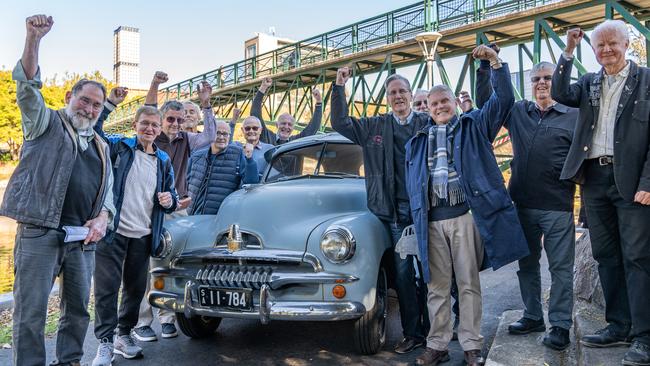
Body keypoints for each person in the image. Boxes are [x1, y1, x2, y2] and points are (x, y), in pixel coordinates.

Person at [1, 15, 116, 366]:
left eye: (97, 105)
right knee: (30, 314)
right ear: (70, 96)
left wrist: (103, 218)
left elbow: (108, 194)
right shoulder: (44, 121)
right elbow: (27, 88)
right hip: (40, 232)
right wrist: (34, 39)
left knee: (78, 311)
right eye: (85, 101)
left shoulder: (101, 145)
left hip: (82, 239)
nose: (90, 109)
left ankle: (69, 362)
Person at [405, 45, 529, 366]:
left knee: (468, 283)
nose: (440, 106)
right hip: (430, 221)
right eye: (434, 103)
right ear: (428, 109)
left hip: (463, 218)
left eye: (445, 100)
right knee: (437, 287)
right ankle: (438, 345)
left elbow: (503, 101)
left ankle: (472, 345)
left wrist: (495, 63)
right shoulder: (417, 141)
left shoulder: (473, 125)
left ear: (453, 104)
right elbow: (413, 183)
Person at [552, 20, 650, 365]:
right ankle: (618, 325)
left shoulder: (647, 80)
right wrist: (568, 51)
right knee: (606, 256)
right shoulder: (589, 81)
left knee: (638, 259)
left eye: (612, 43)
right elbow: (560, 93)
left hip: (632, 181)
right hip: (594, 178)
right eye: (600, 45)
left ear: (627, 43)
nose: (606, 50)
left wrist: (648, 183)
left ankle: (645, 336)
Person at [331, 68, 430, 354]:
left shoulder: (427, 122)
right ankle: (413, 334)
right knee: (402, 277)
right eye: (392, 93)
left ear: (411, 95)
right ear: (387, 98)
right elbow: (339, 121)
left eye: (402, 91)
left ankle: (436, 330)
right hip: (395, 214)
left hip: (426, 211)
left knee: (431, 274)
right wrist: (340, 86)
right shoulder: (374, 126)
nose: (398, 96)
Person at [481, 61, 578, 350]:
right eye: (536, 78)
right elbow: (490, 101)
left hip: (558, 205)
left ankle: (560, 325)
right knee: (527, 265)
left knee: (561, 269)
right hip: (522, 203)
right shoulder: (519, 112)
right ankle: (533, 315)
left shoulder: (574, 115)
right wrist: (487, 68)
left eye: (548, 78)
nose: (542, 83)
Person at [92, 99, 178, 365]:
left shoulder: (163, 160)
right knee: (107, 289)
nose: (150, 129)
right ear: (135, 126)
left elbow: (172, 196)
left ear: (159, 129)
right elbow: (96, 131)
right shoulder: (120, 147)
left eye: (154, 125)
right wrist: (108, 105)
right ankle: (105, 343)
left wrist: (169, 201)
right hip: (113, 232)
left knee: (135, 288)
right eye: (145, 124)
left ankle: (124, 335)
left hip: (143, 234)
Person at [186, 121, 259, 215]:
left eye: (225, 134)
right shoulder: (197, 156)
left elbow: (252, 182)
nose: (221, 137)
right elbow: (185, 183)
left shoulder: (238, 154)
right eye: (218, 133)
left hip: (220, 217)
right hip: (193, 216)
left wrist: (249, 159)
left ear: (229, 136)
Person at [253, 77, 322, 145]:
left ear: (293, 128)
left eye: (290, 124)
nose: (286, 127)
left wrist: (319, 102)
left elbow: (313, 128)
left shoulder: (296, 142)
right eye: (283, 123)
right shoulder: (267, 137)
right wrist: (263, 88)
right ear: (277, 125)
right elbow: (255, 114)